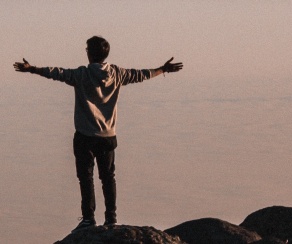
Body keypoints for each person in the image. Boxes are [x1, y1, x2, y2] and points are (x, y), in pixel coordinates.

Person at [13, 36, 183, 233]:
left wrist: (32, 69)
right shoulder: (118, 73)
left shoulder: (82, 74)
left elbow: (57, 73)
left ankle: (88, 219)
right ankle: (111, 218)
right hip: (108, 136)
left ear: (90, 53)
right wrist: (163, 69)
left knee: (86, 178)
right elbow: (141, 74)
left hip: (85, 136)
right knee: (108, 177)